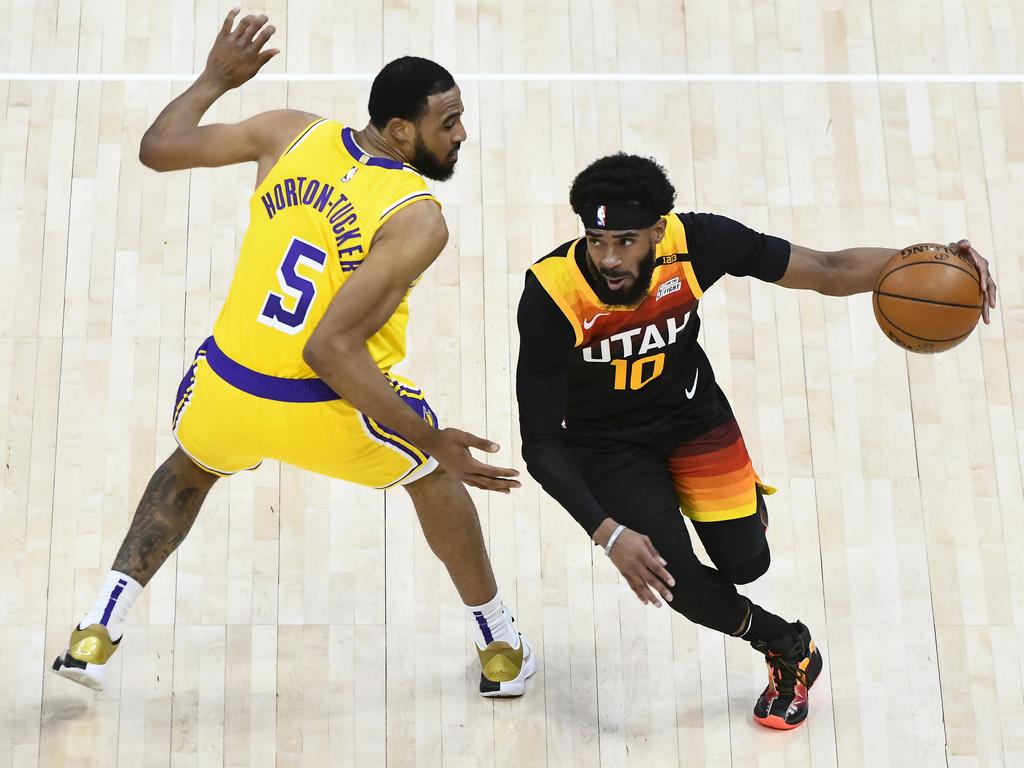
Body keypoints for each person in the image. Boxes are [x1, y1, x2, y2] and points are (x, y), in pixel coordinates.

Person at [53, 9, 535, 699]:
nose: (460, 135)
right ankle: (500, 648)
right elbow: (331, 351)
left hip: (226, 385)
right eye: (447, 123)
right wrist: (434, 439)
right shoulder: (416, 217)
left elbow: (158, 147)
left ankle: (96, 631)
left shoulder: (288, 132)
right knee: (431, 473)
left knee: (191, 465)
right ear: (402, 132)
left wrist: (214, 79)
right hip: (322, 407)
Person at [515, 152, 997, 729]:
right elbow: (540, 442)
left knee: (747, 563)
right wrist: (608, 531)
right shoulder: (550, 292)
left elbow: (827, 268)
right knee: (680, 583)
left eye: (625, 240)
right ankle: (787, 646)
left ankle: (738, 504)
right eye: (597, 241)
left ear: (659, 231)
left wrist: (936, 262)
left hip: (692, 418)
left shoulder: (699, 242)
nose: (610, 259)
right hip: (607, 447)